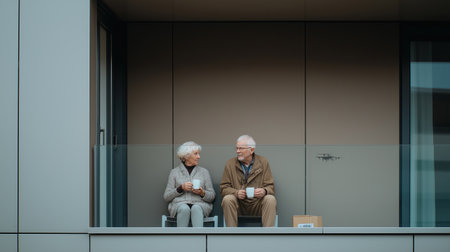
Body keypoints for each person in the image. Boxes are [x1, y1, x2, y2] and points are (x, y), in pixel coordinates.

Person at [220, 135, 277, 227]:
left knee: (270, 199)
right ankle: (231, 236)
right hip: (238, 204)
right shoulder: (230, 164)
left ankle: (268, 236)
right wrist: (236, 193)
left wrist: (264, 191)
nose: (237, 151)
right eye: (237, 148)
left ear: (251, 150)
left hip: (257, 204)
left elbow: (270, 187)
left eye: (241, 148)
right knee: (227, 199)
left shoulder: (263, 162)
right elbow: (223, 188)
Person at [163, 141, 215, 227]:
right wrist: (180, 188)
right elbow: (166, 196)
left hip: (200, 205)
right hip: (179, 205)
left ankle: (199, 239)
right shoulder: (174, 172)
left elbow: (212, 196)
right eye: (196, 154)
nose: (199, 156)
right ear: (187, 156)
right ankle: (182, 239)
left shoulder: (204, 172)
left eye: (198, 154)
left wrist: (202, 193)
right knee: (184, 208)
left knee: (196, 208)